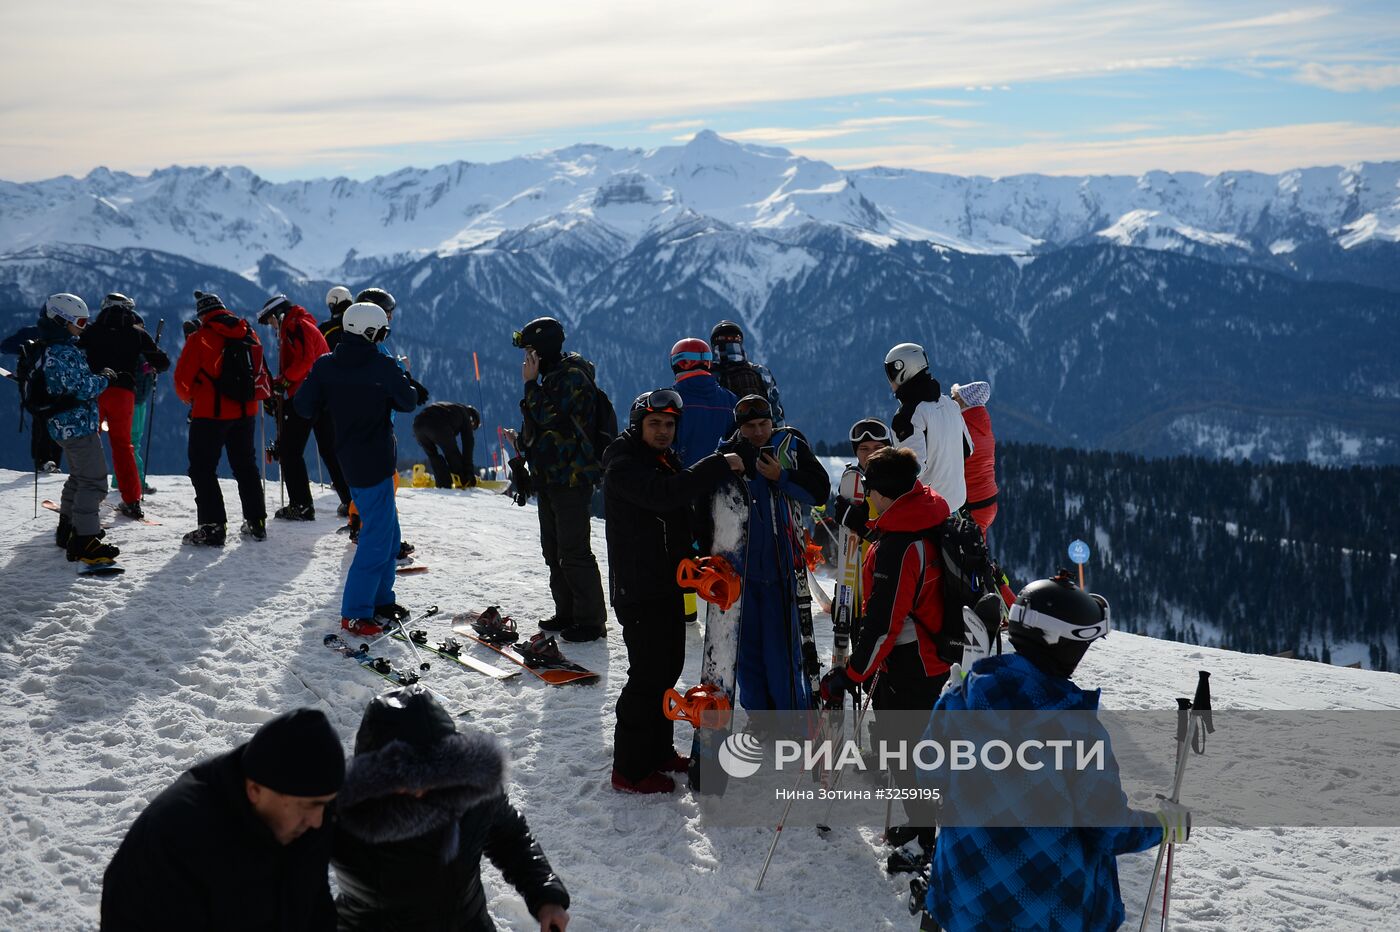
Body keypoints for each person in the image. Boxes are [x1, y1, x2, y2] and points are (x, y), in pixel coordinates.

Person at [918, 572, 1188, 932]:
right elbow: (1107, 828)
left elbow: (928, 777)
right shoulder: (1077, 729)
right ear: (1063, 646)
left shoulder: (962, 699)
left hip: (962, 904)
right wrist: (1162, 825)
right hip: (1046, 915)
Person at [332, 686, 571, 931]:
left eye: (432, 775)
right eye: (402, 778)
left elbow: (512, 839)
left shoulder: (472, 794)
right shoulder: (340, 815)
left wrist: (546, 894)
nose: (419, 790)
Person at [602, 389, 744, 793]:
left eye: (668, 425)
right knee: (646, 678)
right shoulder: (625, 463)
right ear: (638, 426)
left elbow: (678, 514)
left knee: (666, 670)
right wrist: (716, 465)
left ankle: (658, 750)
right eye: (654, 424)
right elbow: (665, 496)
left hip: (667, 583)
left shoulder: (662, 460)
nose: (663, 431)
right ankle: (629, 770)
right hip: (638, 589)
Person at [101, 707, 346, 931]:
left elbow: (315, 907)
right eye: (308, 806)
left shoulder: (310, 817)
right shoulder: (176, 840)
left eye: (325, 803)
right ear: (255, 790)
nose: (317, 821)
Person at [819, 446, 951, 861]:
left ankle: (924, 842)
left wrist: (853, 674)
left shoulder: (900, 548)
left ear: (885, 493)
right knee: (911, 747)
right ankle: (917, 824)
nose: (866, 497)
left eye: (870, 490)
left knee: (907, 749)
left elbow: (884, 625)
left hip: (913, 661)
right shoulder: (925, 516)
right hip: (931, 657)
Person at [294, 301, 418, 635]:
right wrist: (399, 377)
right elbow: (408, 401)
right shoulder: (382, 364)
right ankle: (356, 612)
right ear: (370, 331)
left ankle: (380, 601)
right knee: (378, 540)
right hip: (376, 462)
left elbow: (303, 405)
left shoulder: (326, 365)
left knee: (389, 536)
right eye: (381, 331)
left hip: (348, 457)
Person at [718, 394, 829, 711]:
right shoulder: (727, 454)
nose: (758, 432)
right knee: (748, 653)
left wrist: (782, 477)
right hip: (743, 572)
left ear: (773, 421)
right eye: (750, 426)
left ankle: (791, 715)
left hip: (783, 569)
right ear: (740, 427)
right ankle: (760, 717)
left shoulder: (790, 446)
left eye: (763, 424)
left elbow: (820, 491)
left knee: (782, 652)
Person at [509, 316, 609, 642]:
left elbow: (553, 416)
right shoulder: (551, 376)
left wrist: (529, 384)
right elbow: (538, 426)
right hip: (549, 476)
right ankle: (566, 612)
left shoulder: (573, 376)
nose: (527, 358)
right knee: (552, 549)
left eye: (530, 350)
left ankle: (590, 621)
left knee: (574, 549)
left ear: (543, 349)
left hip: (572, 476)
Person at [173, 291, 272, 546]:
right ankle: (257, 522)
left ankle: (213, 526)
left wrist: (192, 397)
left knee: (202, 469)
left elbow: (182, 382)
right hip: (246, 411)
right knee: (245, 466)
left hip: (210, 414)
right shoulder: (248, 332)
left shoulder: (200, 338)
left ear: (203, 315)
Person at [32, 294, 118, 565]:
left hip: (63, 426)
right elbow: (81, 388)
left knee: (80, 478)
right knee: (93, 481)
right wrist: (105, 378)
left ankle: (68, 528)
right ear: (61, 320)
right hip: (77, 426)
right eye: (79, 321)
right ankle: (85, 540)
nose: (83, 327)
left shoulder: (53, 348)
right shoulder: (63, 352)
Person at [342, 286, 425, 562]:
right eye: (387, 312)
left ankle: (361, 524)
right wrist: (404, 373)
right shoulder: (374, 345)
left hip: (364, 427)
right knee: (386, 483)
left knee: (375, 483)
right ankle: (379, 536)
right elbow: (383, 373)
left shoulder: (365, 342)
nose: (390, 318)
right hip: (375, 427)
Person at [81, 293, 170, 520]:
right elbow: (163, 363)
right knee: (123, 447)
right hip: (124, 393)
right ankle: (131, 501)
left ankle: (84, 497)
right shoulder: (137, 333)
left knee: (88, 443)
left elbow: (76, 353)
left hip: (94, 390)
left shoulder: (90, 331)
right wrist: (149, 362)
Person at [257, 294, 331, 521]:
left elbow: (305, 361)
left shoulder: (296, 326)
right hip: (318, 395)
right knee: (316, 447)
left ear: (279, 314)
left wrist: (283, 383)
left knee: (290, 451)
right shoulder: (300, 324)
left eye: (271, 321)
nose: (272, 326)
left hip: (305, 396)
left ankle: (301, 505)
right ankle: (346, 502)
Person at [883, 342, 972, 511]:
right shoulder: (950, 405)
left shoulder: (908, 416)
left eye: (890, 373)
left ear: (901, 370)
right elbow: (967, 449)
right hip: (955, 505)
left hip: (927, 510)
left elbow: (910, 471)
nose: (890, 381)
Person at [3, 316, 67, 470]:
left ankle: (43, 461)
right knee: (56, 422)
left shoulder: (31, 332)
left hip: (34, 388)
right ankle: (50, 462)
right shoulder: (63, 334)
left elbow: (5, 346)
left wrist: (25, 350)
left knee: (40, 423)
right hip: (55, 387)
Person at [315, 285, 356, 515]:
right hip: (360, 396)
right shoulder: (359, 324)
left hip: (331, 398)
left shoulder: (325, 330)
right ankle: (360, 496)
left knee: (331, 448)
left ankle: (347, 497)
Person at [668, 337, 736, 467]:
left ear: (677, 363)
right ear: (708, 362)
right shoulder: (730, 399)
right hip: (723, 479)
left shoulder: (670, 399)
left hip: (681, 479)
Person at [709, 320, 784, 424]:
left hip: (725, 437)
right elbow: (776, 411)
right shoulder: (761, 372)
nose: (730, 340)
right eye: (725, 338)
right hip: (762, 435)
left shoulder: (709, 375)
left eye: (734, 338)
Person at [951, 380, 999, 532]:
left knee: (965, 552)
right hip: (989, 500)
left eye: (954, 398)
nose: (952, 403)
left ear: (963, 402)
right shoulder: (983, 426)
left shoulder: (962, 428)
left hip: (972, 503)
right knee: (978, 546)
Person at [413, 401, 480, 488]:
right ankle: (464, 480)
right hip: (437, 424)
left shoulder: (452, 408)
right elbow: (468, 444)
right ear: (472, 419)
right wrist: (469, 472)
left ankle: (443, 483)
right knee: (452, 453)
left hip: (418, 425)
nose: (471, 429)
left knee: (433, 456)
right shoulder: (465, 414)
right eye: (473, 426)